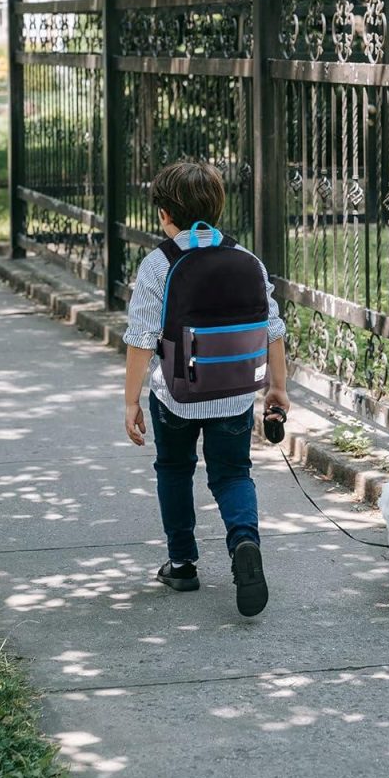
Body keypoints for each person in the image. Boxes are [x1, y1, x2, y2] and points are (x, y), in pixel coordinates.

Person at [123, 160, 289, 617]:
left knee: (174, 470)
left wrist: (130, 400)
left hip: (175, 394)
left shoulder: (159, 264)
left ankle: (182, 563)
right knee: (233, 474)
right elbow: (273, 328)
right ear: (217, 208)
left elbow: (141, 339)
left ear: (163, 214)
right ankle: (244, 543)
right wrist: (278, 388)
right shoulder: (248, 260)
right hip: (236, 392)